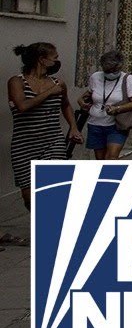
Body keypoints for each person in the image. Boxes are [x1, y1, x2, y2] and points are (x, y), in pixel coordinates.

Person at [8, 43, 80, 215]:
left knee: (53, 190)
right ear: (42, 60)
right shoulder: (16, 82)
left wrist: (73, 127)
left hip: (52, 141)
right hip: (24, 145)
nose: (57, 61)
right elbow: (22, 106)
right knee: (30, 197)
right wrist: (49, 92)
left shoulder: (58, 83)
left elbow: (66, 105)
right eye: (54, 58)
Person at [80, 50, 132, 160]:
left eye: (114, 70)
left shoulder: (129, 80)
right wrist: (81, 100)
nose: (111, 73)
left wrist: (118, 108)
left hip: (117, 125)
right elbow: (89, 93)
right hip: (95, 124)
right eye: (107, 70)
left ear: (120, 67)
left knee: (111, 158)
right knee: (100, 160)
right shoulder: (95, 77)